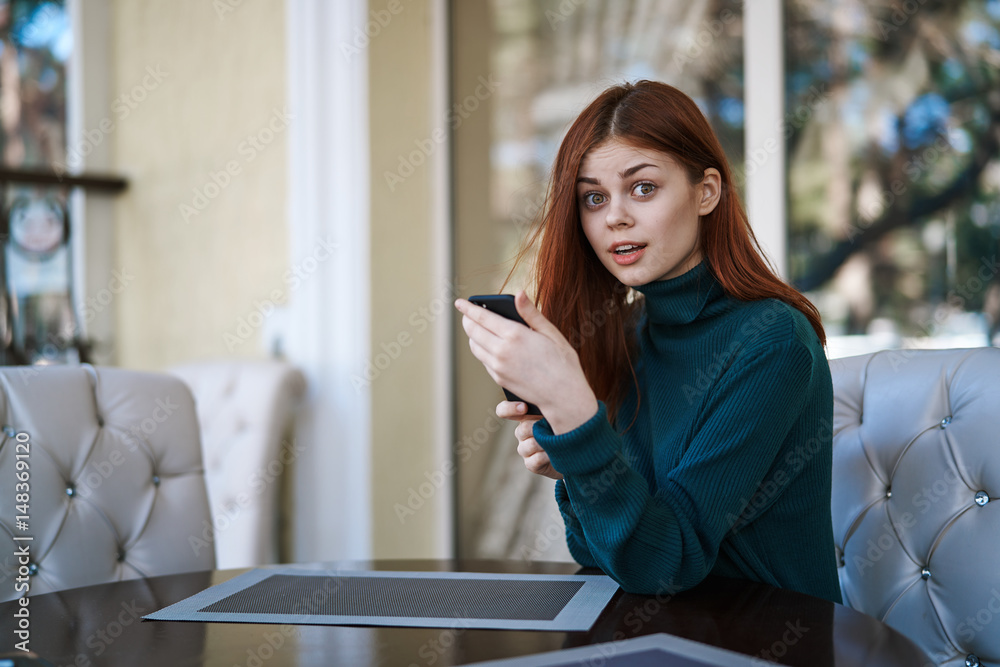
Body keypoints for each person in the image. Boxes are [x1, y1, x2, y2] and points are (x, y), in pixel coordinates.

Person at [454, 80, 843, 604]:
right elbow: (603, 556)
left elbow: (665, 563)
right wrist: (577, 457)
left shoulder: (773, 341)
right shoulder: (626, 334)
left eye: (642, 188)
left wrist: (576, 415)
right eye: (593, 197)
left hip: (769, 639)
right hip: (659, 631)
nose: (614, 216)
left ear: (706, 191)